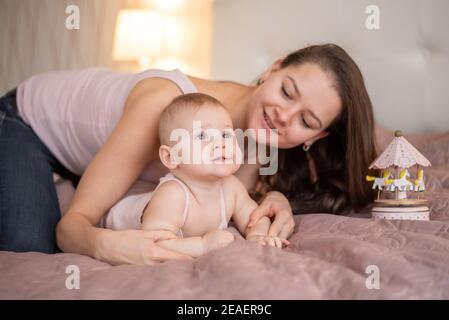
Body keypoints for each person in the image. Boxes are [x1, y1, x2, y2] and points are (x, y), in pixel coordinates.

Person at [0, 43, 387, 264]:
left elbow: (223, 203)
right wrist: (104, 244)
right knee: (30, 248)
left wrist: (275, 198)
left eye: (305, 120)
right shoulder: (164, 104)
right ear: (273, 68)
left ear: (317, 137)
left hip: (85, 152)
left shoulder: (255, 139)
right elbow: (73, 227)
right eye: (287, 91)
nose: (282, 116)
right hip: (26, 121)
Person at [100, 93, 289, 257]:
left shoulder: (231, 187)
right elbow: (155, 243)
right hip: (116, 212)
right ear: (171, 156)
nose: (221, 143)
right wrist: (202, 245)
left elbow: (254, 218)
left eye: (226, 135)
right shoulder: (173, 195)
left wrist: (258, 235)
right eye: (201, 136)